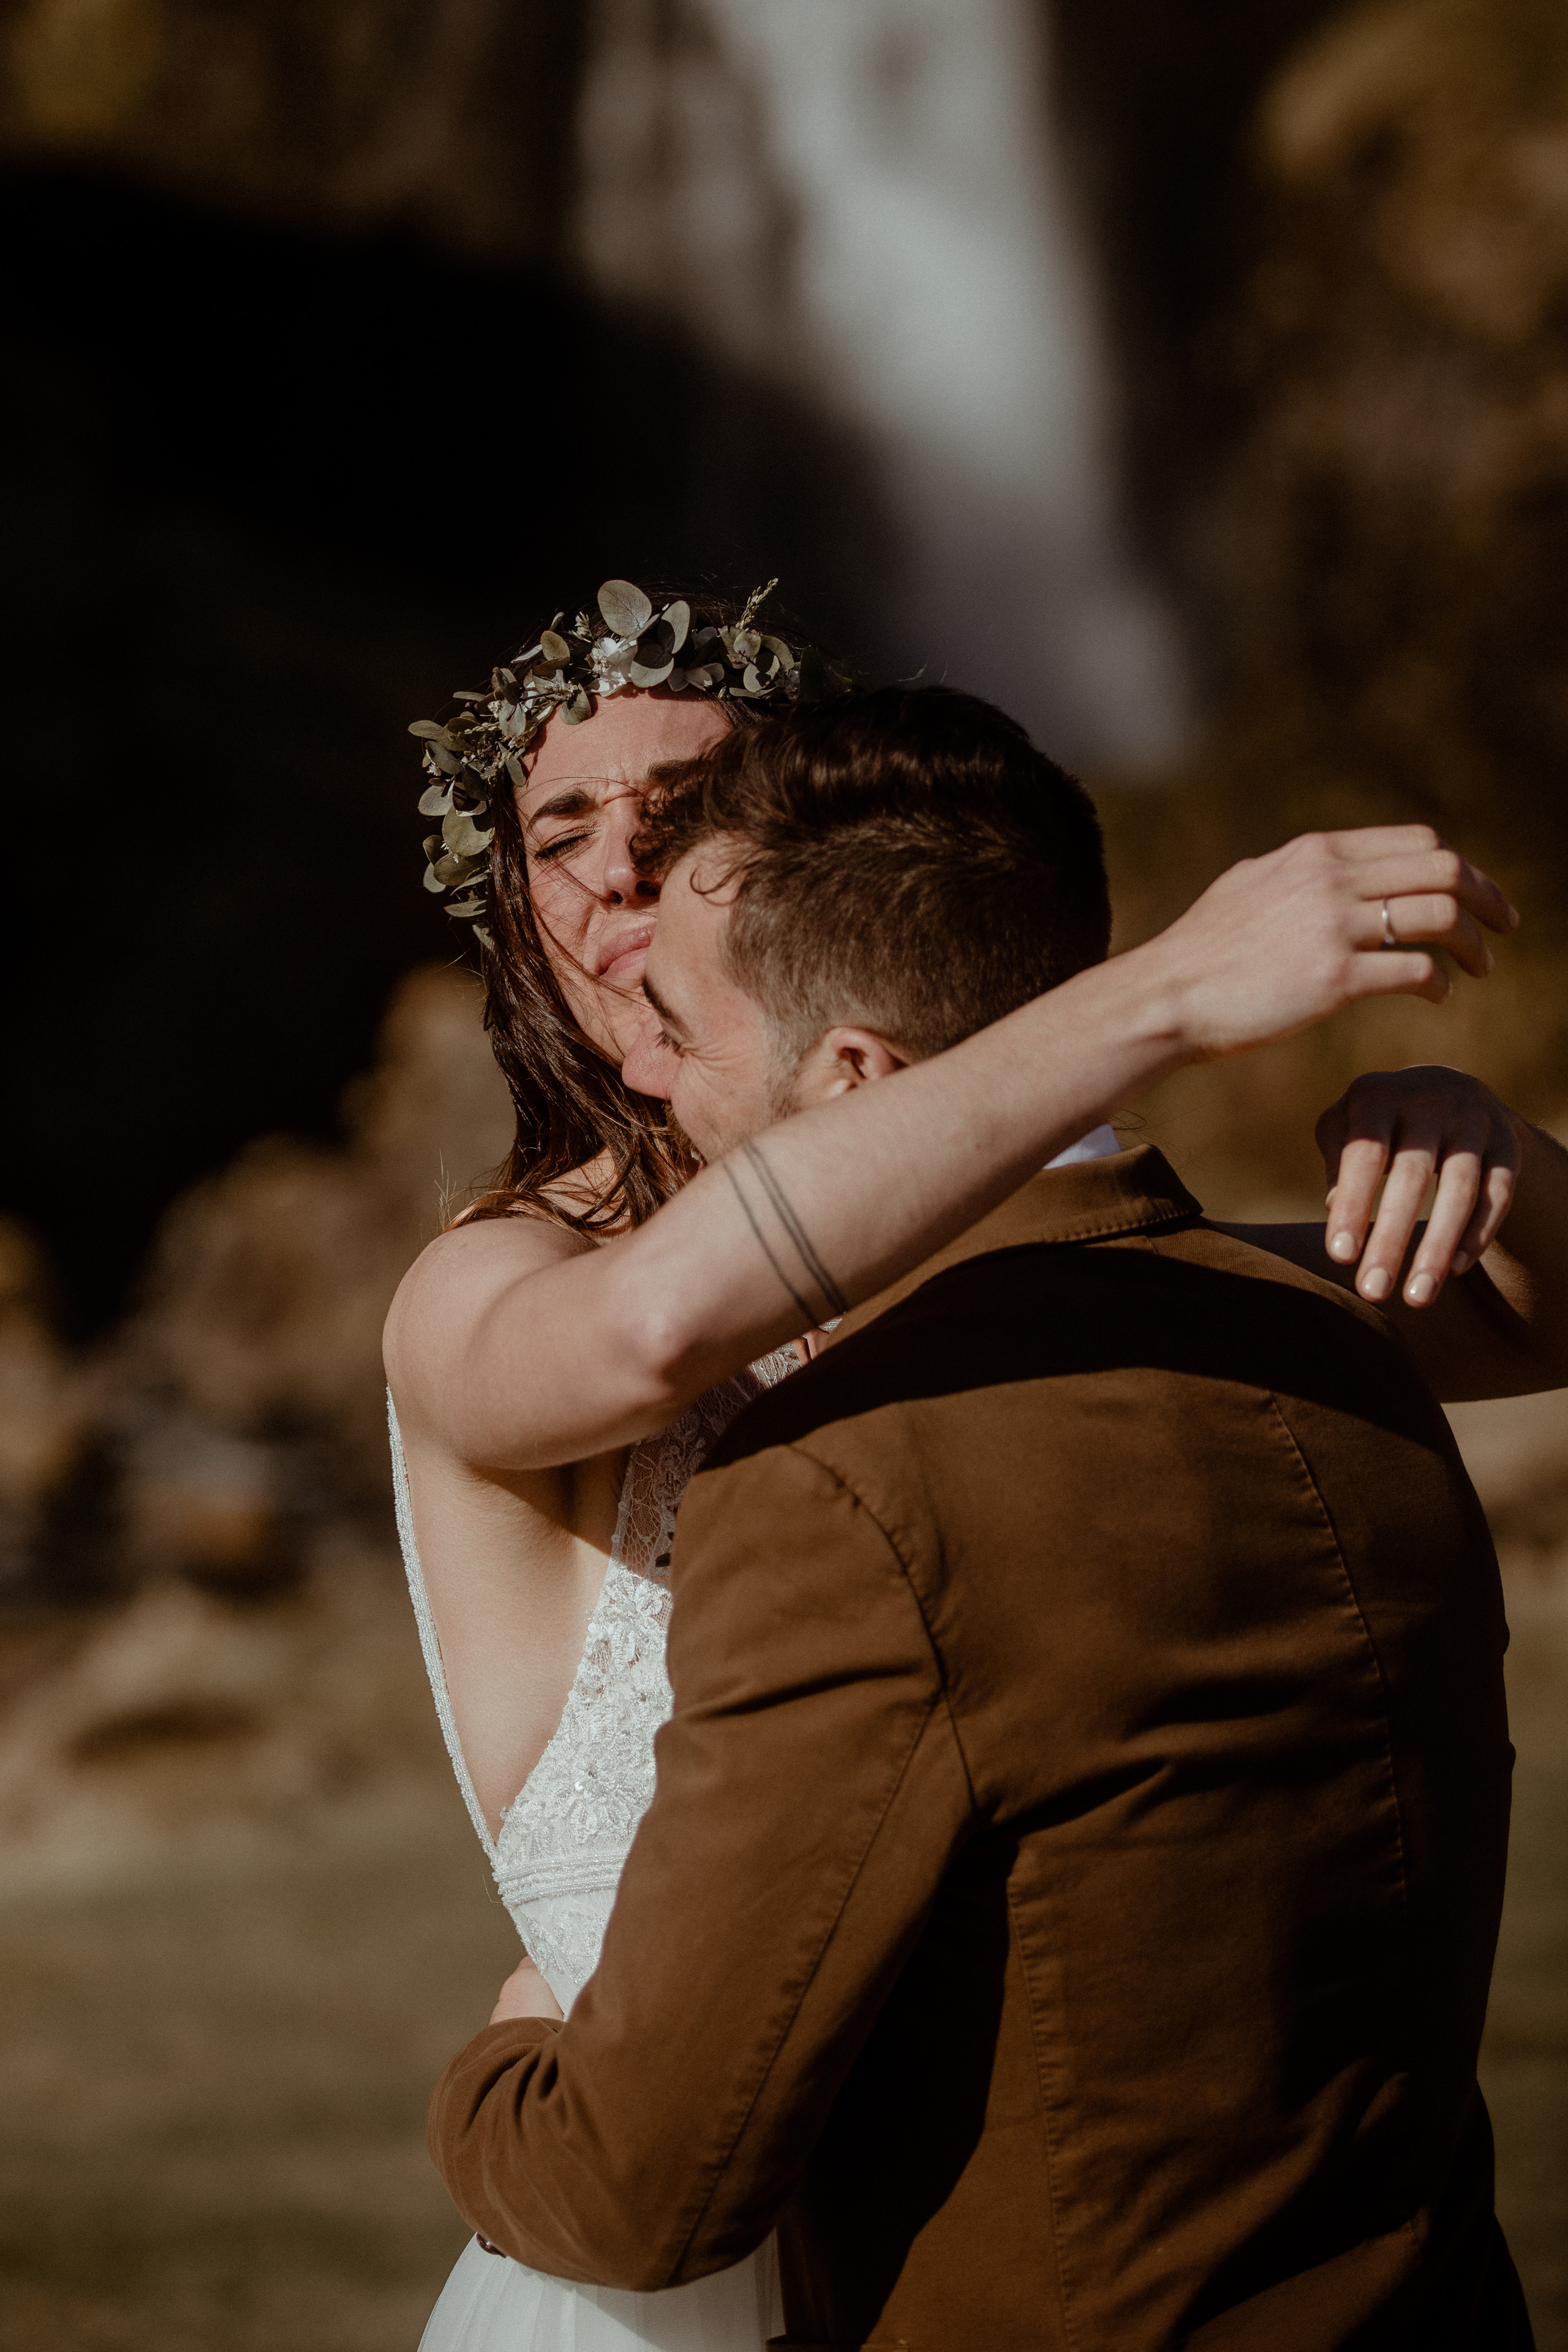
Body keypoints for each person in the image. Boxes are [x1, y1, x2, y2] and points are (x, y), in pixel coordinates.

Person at [385, 585, 1545, 2351]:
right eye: (562, 828)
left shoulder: (1043, 1278)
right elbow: (649, 1337)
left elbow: (1502, 1315)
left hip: (985, 2219)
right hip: (646, 2271)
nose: (627, 864)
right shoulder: (501, 1285)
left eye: (686, 814)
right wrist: (1157, 992)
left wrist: (1494, 1154)